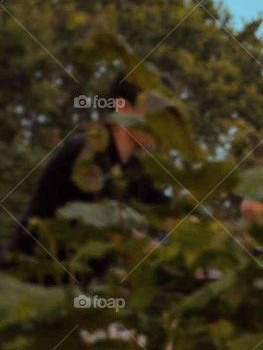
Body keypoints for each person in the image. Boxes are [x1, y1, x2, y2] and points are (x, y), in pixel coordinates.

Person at [4, 75, 167, 266]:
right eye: (157, 114)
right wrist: (174, 257)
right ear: (122, 108)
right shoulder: (86, 154)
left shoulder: (136, 172)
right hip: (28, 281)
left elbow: (170, 214)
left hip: (71, 289)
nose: (165, 127)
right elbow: (112, 231)